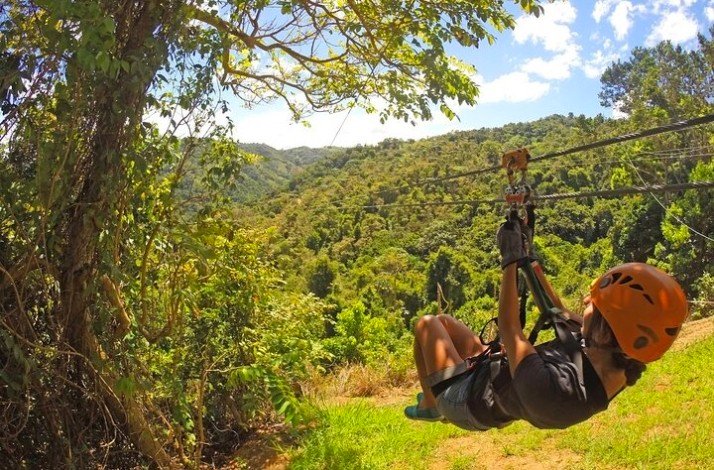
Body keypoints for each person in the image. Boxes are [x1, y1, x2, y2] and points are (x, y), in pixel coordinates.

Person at [405, 216, 689, 430]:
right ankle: (432, 399)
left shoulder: (556, 393)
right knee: (444, 321)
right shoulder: (612, 351)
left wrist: (509, 262)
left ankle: (433, 404)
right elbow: (557, 310)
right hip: (490, 376)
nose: (587, 305)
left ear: (610, 328)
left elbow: (510, 328)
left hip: (467, 402)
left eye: (596, 306)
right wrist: (527, 256)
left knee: (427, 324)